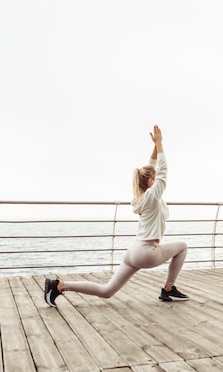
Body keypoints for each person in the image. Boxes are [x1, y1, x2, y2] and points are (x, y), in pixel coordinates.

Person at [44, 125, 188, 307]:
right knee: (182, 247)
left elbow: (150, 170)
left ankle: (59, 286)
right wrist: (160, 145)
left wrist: (154, 146)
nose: (158, 176)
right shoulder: (152, 196)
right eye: (155, 177)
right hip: (148, 252)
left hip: (134, 252)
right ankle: (168, 289)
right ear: (152, 182)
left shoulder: (140, 197)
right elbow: (163, 171)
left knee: (107, 291)